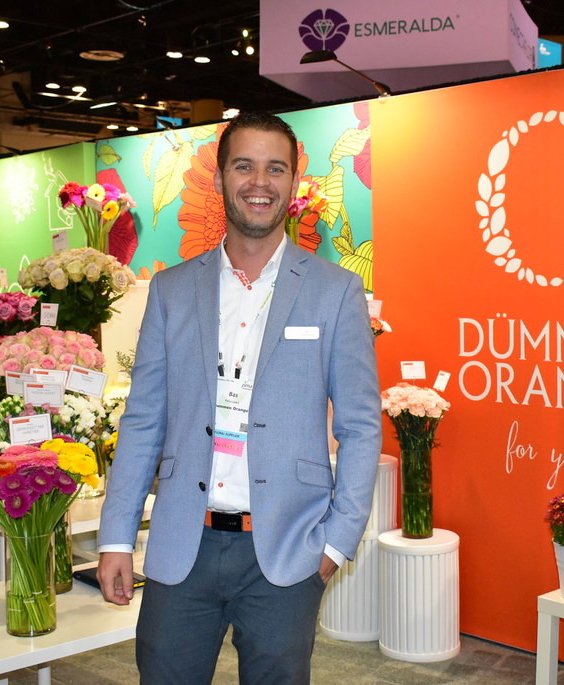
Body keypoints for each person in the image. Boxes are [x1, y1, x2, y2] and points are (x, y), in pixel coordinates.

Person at [97, 112, 382, 684]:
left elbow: (360, 425)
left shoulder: (336, 291)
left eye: (275, 168)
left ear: (293, 181)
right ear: (219, 178)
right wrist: (116, 537)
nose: (259, 182)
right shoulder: (173, 290)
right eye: (244, 166)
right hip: (183, 544)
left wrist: (336, 544)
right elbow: (143, 419)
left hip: (287, 550)